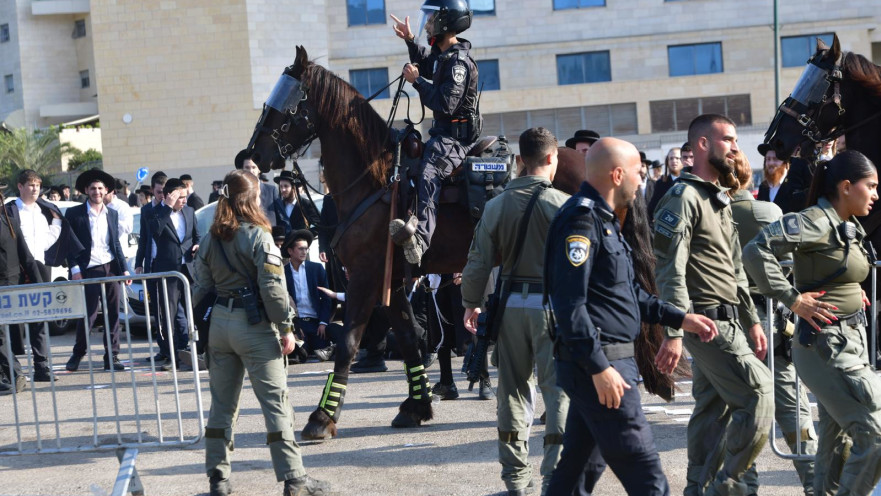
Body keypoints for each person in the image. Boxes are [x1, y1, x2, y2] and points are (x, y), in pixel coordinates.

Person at [545, 137, 717, 495]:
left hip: (606, 361)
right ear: (617, 174)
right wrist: (599, 369)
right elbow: (569, 305)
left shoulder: (605, 220)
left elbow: (627, 292)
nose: (642, 181)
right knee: (645, 471)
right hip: (603, 363)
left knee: (577, 470)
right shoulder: (582, 221)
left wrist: (678, 318)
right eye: (638, 173)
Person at [744, 150, 881, 495]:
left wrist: (850, 293)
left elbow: (836, 271)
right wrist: (792, 299)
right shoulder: (814, 220)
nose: (876, 194)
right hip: (826, 346)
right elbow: (756, 251)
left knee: (839, 444)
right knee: (874, 435)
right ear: (847, 186)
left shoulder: (846, 222)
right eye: (872, 186)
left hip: (849, 339)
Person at [652, 114, 773, 496]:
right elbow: (671, 269)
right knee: (759, 393)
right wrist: (673, 331)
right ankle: (732, 485)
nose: (736, 148)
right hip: (706, 324)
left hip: (731, 319)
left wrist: (751, 319)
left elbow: (735, 266)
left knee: (712, 412)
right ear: (702, 145)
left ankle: (698, 489)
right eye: (729, 140)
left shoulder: (718, 196)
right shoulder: (684, 197)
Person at [192, 169, 329, 496]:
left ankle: (218, 480)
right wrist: (287, 328)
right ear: (250, 199)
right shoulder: (258, 235)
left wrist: (204, 331)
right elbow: (272, 288)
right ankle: (294, 480)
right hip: (254, 327)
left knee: (222, 406)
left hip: (220, 327)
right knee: (275, 404)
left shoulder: (210, 238)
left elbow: (201, 289)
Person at [461, 127, 569, 496]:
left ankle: (517, 482)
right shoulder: (563, 205)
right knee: (558, 393)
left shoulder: (494, 206)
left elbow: (477, 262)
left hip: (508, 309)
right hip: (553, 311)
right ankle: (555, 478)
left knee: (512, 394)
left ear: (519, 160)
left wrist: (470, 303)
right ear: (552, 158)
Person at [728, 151, 816, 494]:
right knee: (792, 405)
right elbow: (789, 261)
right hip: (771, 317)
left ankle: (742, 486)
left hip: (727, 321)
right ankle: (815, 482)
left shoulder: (708, 215)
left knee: (739, 410)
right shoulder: (765, 211)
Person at [388, 0, 480, 265]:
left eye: (430, 18)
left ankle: (421, 240)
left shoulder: (459, 64)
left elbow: (445, 103)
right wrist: (410, 40)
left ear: (445, 22)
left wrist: (416, 82)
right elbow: (427, 65)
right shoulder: (444, 57)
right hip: (442, 134)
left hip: (455, 139)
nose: (426, 23)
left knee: (429, 172)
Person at [64, 168, 131, 372]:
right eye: (93, 188)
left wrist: (125, 269)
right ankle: (78, 353)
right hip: (87, 269)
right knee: (89, 314)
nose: (97, 192)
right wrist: (75, 268)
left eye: (100, 188)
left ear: (106, 190)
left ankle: (112, 355)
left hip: (110, 267)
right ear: (86, 190)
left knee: (113, 313)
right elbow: (69, 244)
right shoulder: (74, 213)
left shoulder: (113, 213)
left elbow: (116, 244)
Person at [5, 170, 62, 382]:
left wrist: (57, 224)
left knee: (40, 319)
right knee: (14, 321)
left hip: (39, 266)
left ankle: (42, 366)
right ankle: (13, 368)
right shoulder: (10, 210)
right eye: (30, 185)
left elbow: (46, 241)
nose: (35, 188)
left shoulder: (43, 211)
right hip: (17, 269)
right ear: (20, 187)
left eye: (37, 185)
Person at [148, 177, 200, 371]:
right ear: (170, 196)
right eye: (180, 198)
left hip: (188, 270)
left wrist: (197, 245)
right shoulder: (154, 213)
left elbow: (197, 236)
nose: (184, 201)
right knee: (168, 316)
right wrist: (167, 207)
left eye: (186, 197)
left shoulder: (190, 211)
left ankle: (194, 351)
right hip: (167, 271)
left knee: (192, 314)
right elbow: (155, 231)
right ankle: (171, 355)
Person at [0, 185, 41, 395]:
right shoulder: (9, 221)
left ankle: (14, 374)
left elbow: (26, 256)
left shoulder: (9, 222)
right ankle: (8, 375)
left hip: (6, 287)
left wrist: (40, 284)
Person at [281, 229, 335, 361]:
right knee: (300, 355)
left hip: (316, 324)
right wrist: (292, 327)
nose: (304, 252)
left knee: (322, 349)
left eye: (306, 249)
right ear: (290, 251)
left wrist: (323, 322)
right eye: (300, 249)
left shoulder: (316, 269)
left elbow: (326, 298)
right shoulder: (282, 272)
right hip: (297, 323)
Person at [235, 149, 279, 221]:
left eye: (254, 167)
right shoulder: (237, 192)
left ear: (259, 169)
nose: (251, 171)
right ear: (242, 170)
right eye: (247, 168)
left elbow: (283, 221)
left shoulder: (271, 191)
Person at [272, 170, 318, 234]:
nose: (283, 189)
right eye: (281, 186)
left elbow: (318, 226)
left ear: (294, 187)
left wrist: (305, 237)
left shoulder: (306, 204)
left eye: (286, 186)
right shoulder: (278, 205)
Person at [647, 146, 684, 217]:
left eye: (677, 158)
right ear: (667, 162)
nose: (674, 161)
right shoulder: (660, 183)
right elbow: (652, 208)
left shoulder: (689, 181)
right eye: (671, 158)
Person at [105, 178, 134, 255]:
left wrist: (112, 220)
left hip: (119, 253)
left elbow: (129, 228)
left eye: (105, 192)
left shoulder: (122, 206)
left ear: (112, 191)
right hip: (104, 254)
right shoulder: (98, 206)